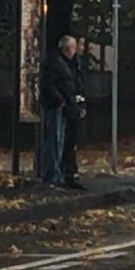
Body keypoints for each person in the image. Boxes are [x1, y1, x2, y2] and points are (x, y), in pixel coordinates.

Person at [40, 35, 81, 185]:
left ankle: (56, 173)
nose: (75, 51)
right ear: (67, 48)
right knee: (54, 140)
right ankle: (51, 174)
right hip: (55, 106)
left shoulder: (64, 62)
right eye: (74, 48)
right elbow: (49, 84)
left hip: (62, 105)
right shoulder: (56, 63)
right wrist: (61, 100)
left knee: (59, 141)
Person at [61, 42, 87, 189]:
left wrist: (82, 106)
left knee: (74, 142)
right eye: (79, 45)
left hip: (75, 108)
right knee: (70, 142)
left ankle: (71, 172)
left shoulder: (76, 65)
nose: (82, 48)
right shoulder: (70, 65)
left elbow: (80, 88)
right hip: (70, 109)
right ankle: (68, 173)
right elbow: (73, 88)